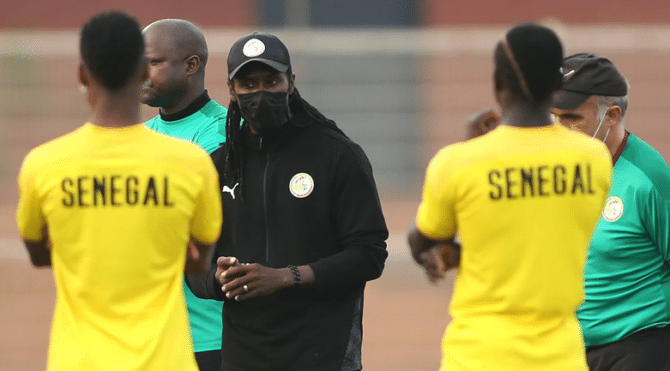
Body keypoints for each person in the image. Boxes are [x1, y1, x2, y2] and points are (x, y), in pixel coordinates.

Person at [16, 11, 222, 371]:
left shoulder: (43, 164)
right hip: (167, 359)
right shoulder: (190, 163)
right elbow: (199, 260)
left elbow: (38, 254)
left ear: (81, 74)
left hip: (77, 361)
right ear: (143, 72)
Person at [407, 23, 613, 371]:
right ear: (556, 86)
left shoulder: (457, 162)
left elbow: (423, 243)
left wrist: (454, 253)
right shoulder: (594, 159)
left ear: (497, 84)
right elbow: (544, 228)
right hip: (561, 357)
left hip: (478, 356)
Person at [187, 32, 389, 371]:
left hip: (324, 352)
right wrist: (217, 281)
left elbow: (369, 255)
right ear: (231, 90)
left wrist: (285, 277)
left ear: (291, 82)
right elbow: (194, 264)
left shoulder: (337, 155)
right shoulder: (219, 166)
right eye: (248, 84)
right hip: (244, 356)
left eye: (271, 81)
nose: (260, 93)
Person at [551, 53, 670, 371]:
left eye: (572, 118)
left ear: (612, 114)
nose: (560, 129)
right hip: (571, 347)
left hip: (639, 344)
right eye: (554, 117)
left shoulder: (647, 179)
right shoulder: (557, 169)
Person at [141, 18, 227, 371]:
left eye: (154, 62)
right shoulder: (142, 135)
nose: (142, 73)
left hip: (209, 337)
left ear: (191, 65)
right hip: (151, 335)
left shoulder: (221, 133)